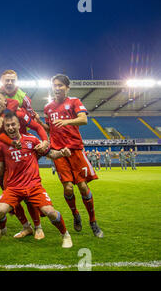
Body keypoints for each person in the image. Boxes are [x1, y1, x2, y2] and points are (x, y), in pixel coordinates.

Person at [0, 112, 73, 248]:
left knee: (50, 212)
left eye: (13, 124)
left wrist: (62, 153)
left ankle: (65, 234)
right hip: (14, 188)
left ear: (18, 125)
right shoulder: (2, 144)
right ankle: (2, 230)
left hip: (34, 186)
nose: (10, 127)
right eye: (7, 125)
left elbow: (51, 154)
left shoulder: (32, 140)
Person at [41, 74, 103, 238]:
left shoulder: (74, 102)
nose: (57, 88)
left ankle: (93, 221)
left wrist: (67, 121)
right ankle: (75, 214)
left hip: (75, 149)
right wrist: (39, 123)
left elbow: (84, 120)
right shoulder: (48, 108)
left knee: (82, 186)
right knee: (68, 187)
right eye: (55, 85)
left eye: (61, 85)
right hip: (59, 152)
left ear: (67, 87)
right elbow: (50, 129)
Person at [0, 89, 48, 240]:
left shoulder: (19, 113)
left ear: (5, 101)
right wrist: (13, 145)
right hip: (9, 153)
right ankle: (26, 226)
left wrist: (45, 141)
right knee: (10, 192)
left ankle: (38, 227)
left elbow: (38, 127)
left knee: (29, 193)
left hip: (24, 153)